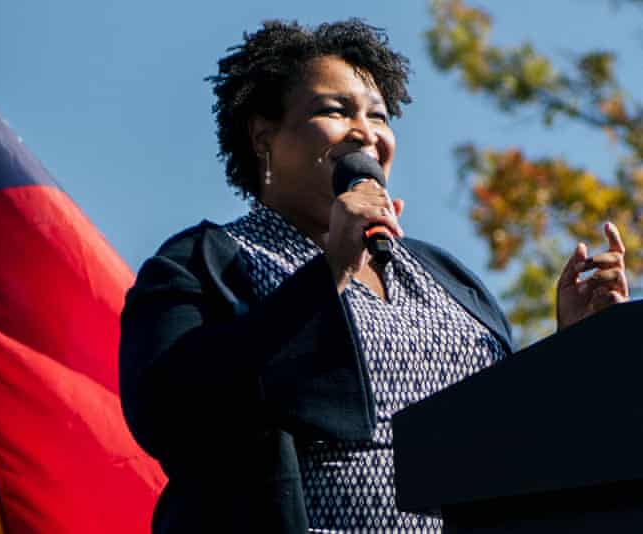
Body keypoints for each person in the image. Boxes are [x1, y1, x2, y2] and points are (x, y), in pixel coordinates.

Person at [118, 19, 629, 534]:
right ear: (262, 135)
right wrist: (329, 272)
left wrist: (574, 353)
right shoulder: (202, 262)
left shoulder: (451, 280)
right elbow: (167, 410)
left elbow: (512, 447)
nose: (365, 132)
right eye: (335, 111)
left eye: (379, 116)